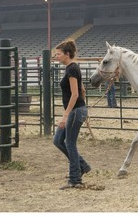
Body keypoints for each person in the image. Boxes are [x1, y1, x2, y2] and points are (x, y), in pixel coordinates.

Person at [52, 39, 91, 190]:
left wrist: (66, 115)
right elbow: (82, 90)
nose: (57, 57)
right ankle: (82, 165)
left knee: (69, 143)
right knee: (58, 140)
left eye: (59, 54)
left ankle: (75, 179)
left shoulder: (72, 69)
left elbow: (75, 94)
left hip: (75, 111)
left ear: (67, 54)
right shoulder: (72, 68)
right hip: (77, 110)